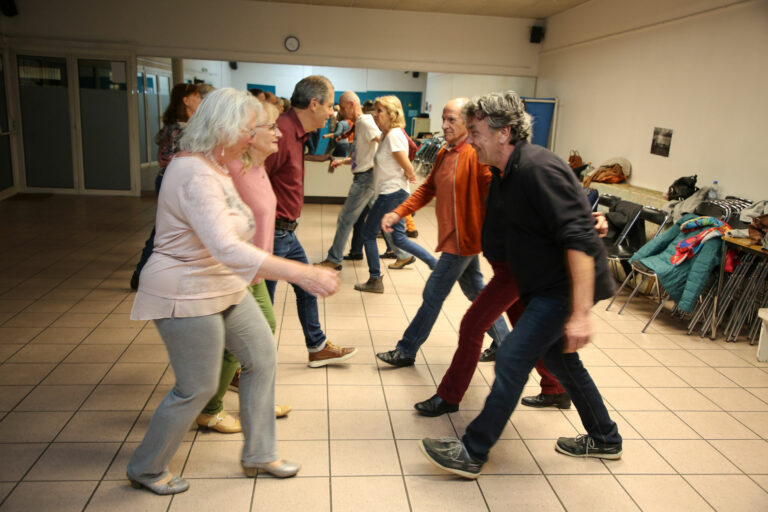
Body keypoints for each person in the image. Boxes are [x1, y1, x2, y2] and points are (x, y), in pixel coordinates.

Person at [127, 88, 340, 495]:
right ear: (223, 128)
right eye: (251, 129)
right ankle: (146, 467)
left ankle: (260, 454)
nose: (257, 136)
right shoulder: (192, 172)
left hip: (222, 283)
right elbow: (225, 246)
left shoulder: (220, 165)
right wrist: (301, 273)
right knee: (198, 387)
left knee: (261, 358)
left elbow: (232, 239)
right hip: (185, 290)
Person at [419, 91, 621, 479]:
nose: (470, 137)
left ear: (503, 133)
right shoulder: (506, 170)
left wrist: (579, 314)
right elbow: (568, 211)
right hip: (540, 281)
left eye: (475, 130)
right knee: (562, 360)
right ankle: (605, 437)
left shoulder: (535, 168)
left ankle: (473, 450)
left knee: (511, 358)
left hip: (561, 287)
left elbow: (578, 239)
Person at [374, 98, 509, 378]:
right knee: (475, 290)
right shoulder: (445, 153)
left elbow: (495, 194)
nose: (445, 125)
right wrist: (399, 213)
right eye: (444, 119)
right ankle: (504, 342)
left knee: (432, 293)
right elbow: (428, 189)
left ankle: (406, 349)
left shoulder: (475, 154)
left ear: (468, 123)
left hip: (464, 241)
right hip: (454, 238)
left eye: (452, 120)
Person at [264, 75, 358, 366]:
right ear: (314, 104)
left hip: (286, 233)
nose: (333, 113)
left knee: (308, 287)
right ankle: (243, 366)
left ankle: (317, 346)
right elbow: (254, 182)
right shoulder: (279, 133)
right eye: (330, 106)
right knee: (261, 306)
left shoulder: (297, 133)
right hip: (274, 233)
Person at [354, 96, 437, 293]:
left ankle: (375, 279)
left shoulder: (393, 135)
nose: (374, 114)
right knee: (399, 238)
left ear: (392, 114)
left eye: (379, 111)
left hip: (391, 193)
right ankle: (436, 265)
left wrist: (409, 175)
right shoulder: (386, 135)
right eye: (374, 110)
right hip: (393, 193)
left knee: (368, 234)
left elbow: (406, 164)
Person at [130, 83, 201, 290]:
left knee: (166, 228)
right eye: (197, 96)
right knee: (168, 229)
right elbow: (171, 157)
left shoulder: (172, 126)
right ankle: (143, 274)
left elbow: (161, 148)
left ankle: (142, 274)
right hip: (176, 182)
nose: (200, 100)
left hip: (168, 180)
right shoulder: (182, 128)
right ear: (186, 100)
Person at [315, 91, 380, 271]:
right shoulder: (359, 123)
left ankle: (334, 258)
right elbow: (364, 152)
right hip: (368, 176)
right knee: (380, 216)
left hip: (366, 178)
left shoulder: (365, 122)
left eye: (343, 108)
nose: (341, 112)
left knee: (345, 218)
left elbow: (381, 141)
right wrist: (343, 161)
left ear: (352, 104)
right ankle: (402, 253)